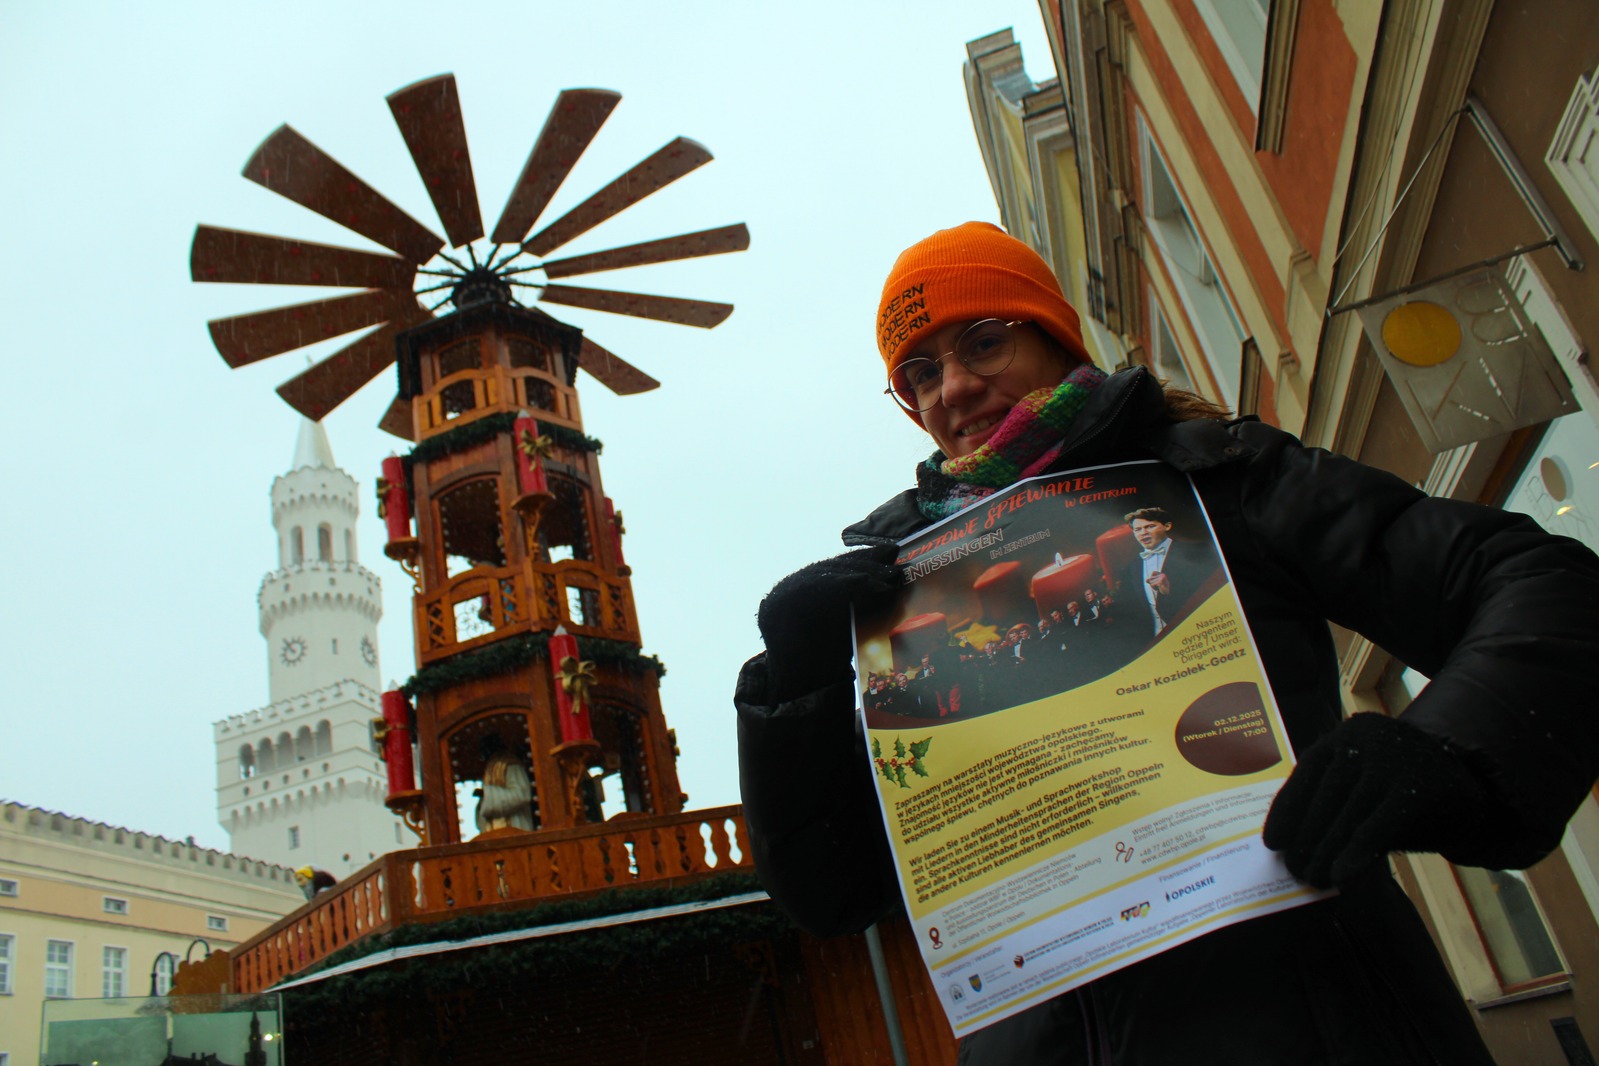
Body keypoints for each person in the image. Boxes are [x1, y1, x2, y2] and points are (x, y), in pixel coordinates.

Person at [734, 222, 1599, 1065]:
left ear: (1053, 341)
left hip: (1312, 1024)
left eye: (984, 344)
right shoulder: (910, 595)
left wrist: (1439, 746)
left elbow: (1537, 583)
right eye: (918, 373)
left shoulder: (1217, 480)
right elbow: (833, 889)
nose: (950, 388)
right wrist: (793, 687)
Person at [1115, 506, 1221, 636]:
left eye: (1150, 526)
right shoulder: (1131, 568)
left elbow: (1214, 595)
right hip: (1156, 641)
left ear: (1167, 526)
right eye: (1137, 529)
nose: (1143, 533)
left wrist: (1169, 590)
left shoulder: (1196, 551)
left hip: (1199, 632)